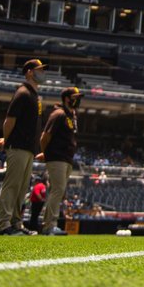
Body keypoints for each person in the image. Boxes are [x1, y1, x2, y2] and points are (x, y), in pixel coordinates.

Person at [0, 58, 45, 235]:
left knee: (22, 188)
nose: (42, 73)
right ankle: (4, 225)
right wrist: (7, 140)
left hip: (29, 147)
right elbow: (10, 120)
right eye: (39, 70)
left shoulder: (34, 95)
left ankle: (16, 223)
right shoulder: (23, 92)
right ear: (29, 72)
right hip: (18, 146)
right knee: (12, 185)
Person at [37, 87, 83, 236]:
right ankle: (49, 225)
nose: (78, 100)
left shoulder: (71, 116)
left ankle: (51, 225)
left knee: (59, 190)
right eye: (75, 97)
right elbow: (45, 136)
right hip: (57, 156)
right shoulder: (59, 114)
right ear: (66, 98)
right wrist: (46, 153)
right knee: (57, 190)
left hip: (67, 158)